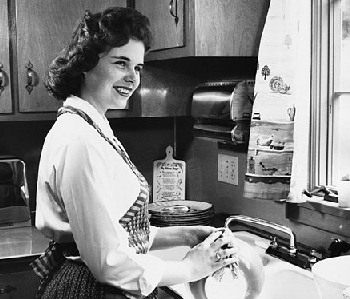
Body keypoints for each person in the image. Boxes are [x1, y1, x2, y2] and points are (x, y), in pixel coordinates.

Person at [32, 6, 242, 299]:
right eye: (121, 63)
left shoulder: (91, 127)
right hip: (91, 289)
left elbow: (115, 231)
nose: (133, 78)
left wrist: (185, 234)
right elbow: (109, 263)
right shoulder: (79, 140)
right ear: (85, 64)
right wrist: (190, 268)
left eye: (138, 67)